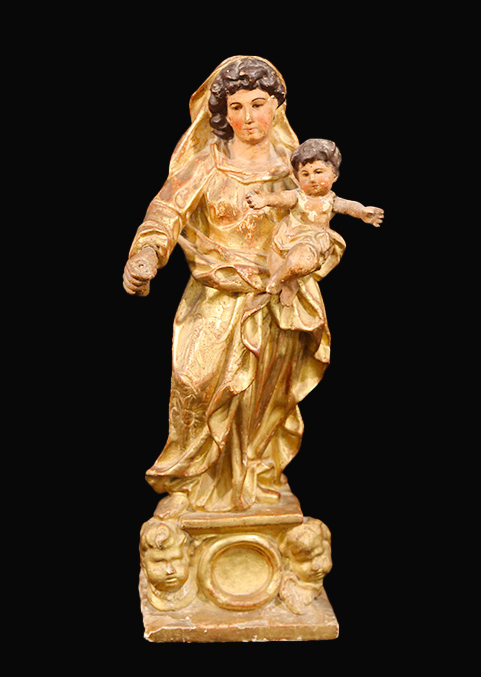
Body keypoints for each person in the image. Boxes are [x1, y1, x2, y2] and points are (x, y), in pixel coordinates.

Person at [123, 56, 340, 517]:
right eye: (236, 107)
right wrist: (146, 255)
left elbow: (318, 225)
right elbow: (165, 212)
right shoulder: (208, 163)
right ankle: (194, 482)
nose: (248, 117)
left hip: (277, 301)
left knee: (264, 399)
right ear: (223, 113)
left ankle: (253, 479)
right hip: (215, 297)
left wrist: (313, 253)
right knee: (196, 384)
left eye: (258, 104)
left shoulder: (297, 169)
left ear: (278, 106)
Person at [246, 138, 384, 305]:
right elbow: (282, 198)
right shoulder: (298, 196)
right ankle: (288, 284)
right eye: (305, 174)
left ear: (334, 175)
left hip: (313, 241)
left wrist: (362, 211)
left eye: (318, 172)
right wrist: (265, 199)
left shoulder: (330, 200)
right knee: (275, 262)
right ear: (297, 178)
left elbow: (348, 206)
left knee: (300, 261)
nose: (312, 179)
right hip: (287, 236)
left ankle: (279, 280)